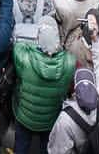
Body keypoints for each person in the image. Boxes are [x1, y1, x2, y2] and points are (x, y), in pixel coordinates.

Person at [13, 19, 75, 154]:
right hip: (50, 119)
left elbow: (19, 46)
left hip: (25, 116)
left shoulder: (25, 58)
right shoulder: (69, 63)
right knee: (46, 148)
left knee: (21, 146)